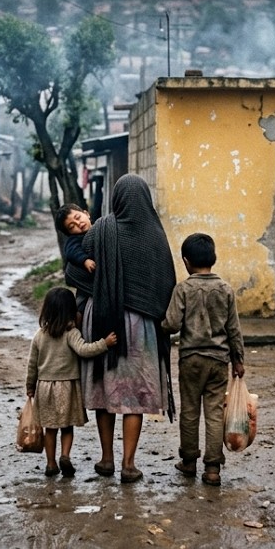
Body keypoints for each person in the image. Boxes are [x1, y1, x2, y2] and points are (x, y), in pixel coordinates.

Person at [80, 173, 177, 483]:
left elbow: (77, 262)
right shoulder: (156, 236)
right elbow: (166, 284)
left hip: (103, 321)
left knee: (105, 389)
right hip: (141, 326)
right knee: (133, 394)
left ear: (117, 198)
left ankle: (106, 459)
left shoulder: (102, 230)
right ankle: (128, 464)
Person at [161, 232, 246, 487]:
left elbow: (172, 324)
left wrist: (160, 324)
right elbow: (234, 328)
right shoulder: (225, 289)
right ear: (214, 258)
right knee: (214, 413)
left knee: (189, 412)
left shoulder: (183, 289)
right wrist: (238, 360)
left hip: (191, 359)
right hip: (219, 361)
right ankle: (212, 469)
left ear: (186, 261)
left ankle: (188, 462)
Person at [25, 286, 117, 478]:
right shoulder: (71, 333)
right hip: (67, 387)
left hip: (45, 388)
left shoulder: (39, 335)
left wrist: (30, 387)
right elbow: (84, 350)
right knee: (67, 427)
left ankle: (50, 463)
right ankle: (65, 455)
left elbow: (32, 364)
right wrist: (104, 344)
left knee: (50, 428)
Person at [54, 203, 95, 324]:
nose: (78, 224)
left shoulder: (101, 227)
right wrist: (85, 260)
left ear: (86, 213)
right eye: (72, 227)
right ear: (69, 233)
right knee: (80, 306)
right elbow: (72, 252)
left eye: (78, 218)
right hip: (85, 287)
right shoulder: (75, 240)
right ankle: (76, 328)